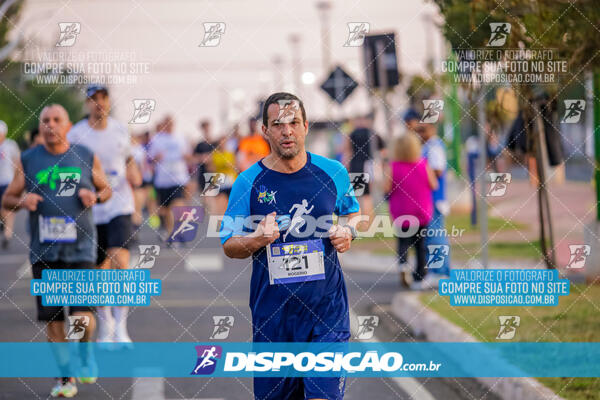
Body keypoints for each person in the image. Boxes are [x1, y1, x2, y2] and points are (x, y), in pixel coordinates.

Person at [221, 92, 360, 400]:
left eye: (294, 122)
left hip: (327, 313)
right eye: (278, 124)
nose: (287, 131)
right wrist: (257, 239)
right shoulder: (248, 182)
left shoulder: (333, 172)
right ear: (265, 130)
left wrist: (347, 230)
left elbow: (353, 212)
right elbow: (229, 244)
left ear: (306, 126)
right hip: (274, 318)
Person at [1, 104, 112, 398]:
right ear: (40, 127)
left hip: (82, 249)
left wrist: (95, 196)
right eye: (45, 120)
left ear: (66, 125)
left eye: (56, 120)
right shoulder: (28, 158)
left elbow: (107, 189)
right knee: (53, 320)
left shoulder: (85, 155)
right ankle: (65, 378)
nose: (50, 124)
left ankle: (86, 352)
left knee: (81, 317)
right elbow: (8, 198)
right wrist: (23, 203)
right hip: (44, 253)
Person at [67, 85, 142, 345]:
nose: (99, 104)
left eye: (103, 99)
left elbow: (129, 159)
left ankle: (121, 327)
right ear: (87, 103)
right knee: (100, 271)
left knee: (120, 262)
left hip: (120, 206)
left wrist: (134, 172)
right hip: (90, 210)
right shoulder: (76, 133)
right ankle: (105, 322)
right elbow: (69, 168)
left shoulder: (120, 129)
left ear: (109, 102)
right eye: (93, 99)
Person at [384, 132, 437, 288]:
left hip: (401, 212)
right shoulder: (423, 164)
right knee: (421, 245)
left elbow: (386, 188)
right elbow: (434, 185)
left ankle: (403, 264)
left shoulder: (392, 167)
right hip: (421, 211)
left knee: (403, 241)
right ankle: (420, 276)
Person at [414, 121, 451, 288]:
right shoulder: (429, 146)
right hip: (428, 200)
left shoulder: (434, 146)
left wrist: (420, 171)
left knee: (436, 237)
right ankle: (437, 271)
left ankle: (440, 272)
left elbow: (438, 170)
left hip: (434, 199)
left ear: (432, 129)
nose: (420, 134)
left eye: (423, 130)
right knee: (432, 237)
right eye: (418, 131)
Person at [147, 115, 192, 237]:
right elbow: (149, 159)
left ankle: (177, 232)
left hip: (178, 178)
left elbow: (189, 156)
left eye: (171, 123)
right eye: (167, 123)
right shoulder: (157, 139)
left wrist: (186, 157)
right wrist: (157, 158)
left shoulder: (180, 138)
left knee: (176, 206)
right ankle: (171, 232)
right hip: (163, 180)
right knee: (166, 210)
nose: (169, 126)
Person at [345, 114, 385, 229]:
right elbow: (383, 151)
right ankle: (368, 222)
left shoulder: (352, 133)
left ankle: (359, 221)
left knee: (358, 196)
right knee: (368, 196)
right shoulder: (373, 133)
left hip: (356, 166)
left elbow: (347, 151)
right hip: (369, 166)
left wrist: (346, 167)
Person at [0, 120, 20, 249]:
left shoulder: (10, 145)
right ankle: (3, 223)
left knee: (7, 209)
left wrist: (17, 181)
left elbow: (17, 163)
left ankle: (7, 234)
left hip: (7, 181)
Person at [211, 132, 238, 215]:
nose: (222, 144)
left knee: (233, 207)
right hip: (220, 182)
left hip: (231, 182)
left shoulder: (230, 154)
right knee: (221, 208)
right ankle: (222, 226)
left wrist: (230, 166)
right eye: (220, 143)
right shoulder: (215, 155)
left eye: (224, 142)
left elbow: (236, 167)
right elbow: (211, 168)